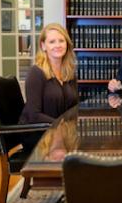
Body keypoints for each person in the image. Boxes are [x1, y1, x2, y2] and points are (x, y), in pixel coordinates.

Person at [19, 23, 79, 151]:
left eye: (61, 41)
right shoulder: (36, 72)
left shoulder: (69, 73)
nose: (58, 45)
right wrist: (60, 125)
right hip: (39, 133)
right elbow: (33, 114)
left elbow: (74, 108)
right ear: (43, 46)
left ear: (67, 44)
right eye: (52, 42)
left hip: (61, 131)